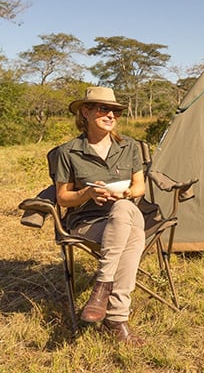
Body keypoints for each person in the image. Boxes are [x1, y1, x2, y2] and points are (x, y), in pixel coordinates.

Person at [53, 86, 146, 345]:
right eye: (103, 109)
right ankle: (116, 319)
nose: (110, 115)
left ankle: (102, 286)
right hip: (87, 222)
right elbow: (62, 197)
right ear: (85, 112)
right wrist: (86, 193)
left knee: (124, 209)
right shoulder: (68, 152)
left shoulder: (128, 146)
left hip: (127, 212)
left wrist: (125, 193)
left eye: (114, 111)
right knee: (135, 238)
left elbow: (140, 187)